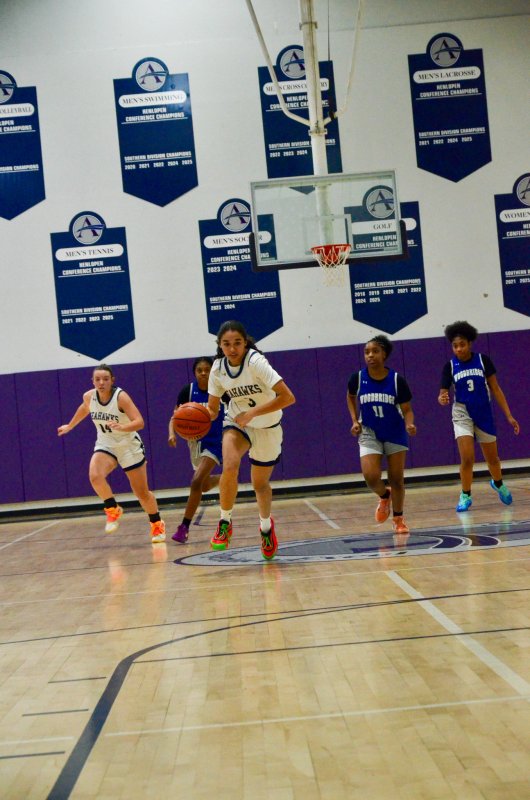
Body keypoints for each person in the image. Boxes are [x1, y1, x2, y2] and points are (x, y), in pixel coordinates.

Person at [206, 320, 296, 560]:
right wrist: (193, 414)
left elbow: (288, 397)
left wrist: (253, 413)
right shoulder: (217, 369)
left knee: (259, 485)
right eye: (226, 344)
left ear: (245, 343)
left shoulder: (256, 362)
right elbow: (213, 410)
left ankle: (266, 528)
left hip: (267, 426)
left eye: (237, 343)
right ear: (220, 346)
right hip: (237, 422)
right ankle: (225, 522)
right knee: (230, 465)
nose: (232, 348)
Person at [57, 364, 166, 543]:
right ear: (92, 381)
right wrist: (70, 425)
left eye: (105, 379)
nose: (101, 383)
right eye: (97, 379)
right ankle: (112, 508)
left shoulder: (121, 397)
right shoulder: (89, 396)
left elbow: (139, 422)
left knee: (142, 493)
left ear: (112, 380)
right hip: (106, 444)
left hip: (128, 446)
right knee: (95, 476)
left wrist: (123, 427)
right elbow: (85, 408)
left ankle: (156, 522)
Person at [438, 320, 520, 512]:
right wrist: (442, 397)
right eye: (455, 346)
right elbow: (443, 392)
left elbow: (496, 388)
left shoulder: (483, 360)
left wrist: (509, 415)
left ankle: (498, 483)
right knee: (467, 458)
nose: (458, 349)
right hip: (462, 413)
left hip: (484, 412)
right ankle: (465, 494)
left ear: (470, 343)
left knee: (493, 458)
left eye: (462, 345)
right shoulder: (449, 366)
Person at [347, 334, 416, 535]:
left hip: (394, 431)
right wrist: (354, 420)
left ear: (384, 354)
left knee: (397, 479)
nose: (370, 355)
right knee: (370, 476)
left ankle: (398, 518)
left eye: (375, 351)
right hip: (369, 431)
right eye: (367, 352)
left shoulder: (396, 380)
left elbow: (408, 409)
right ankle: (384, 496)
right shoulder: (357, 378)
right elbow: (350, 397)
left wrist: (409, 424)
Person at [168, 357, 224, 544]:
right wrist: (172, 434)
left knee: (196, 482)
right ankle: (226, 479)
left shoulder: (220, 390)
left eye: (207, 369)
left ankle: (184, 527)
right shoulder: (188, 391)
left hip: (215, 442)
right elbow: (175, 417)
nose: (203, 372)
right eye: (199, 370)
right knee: (204, 485)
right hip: (195, 443)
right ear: (195, 373)